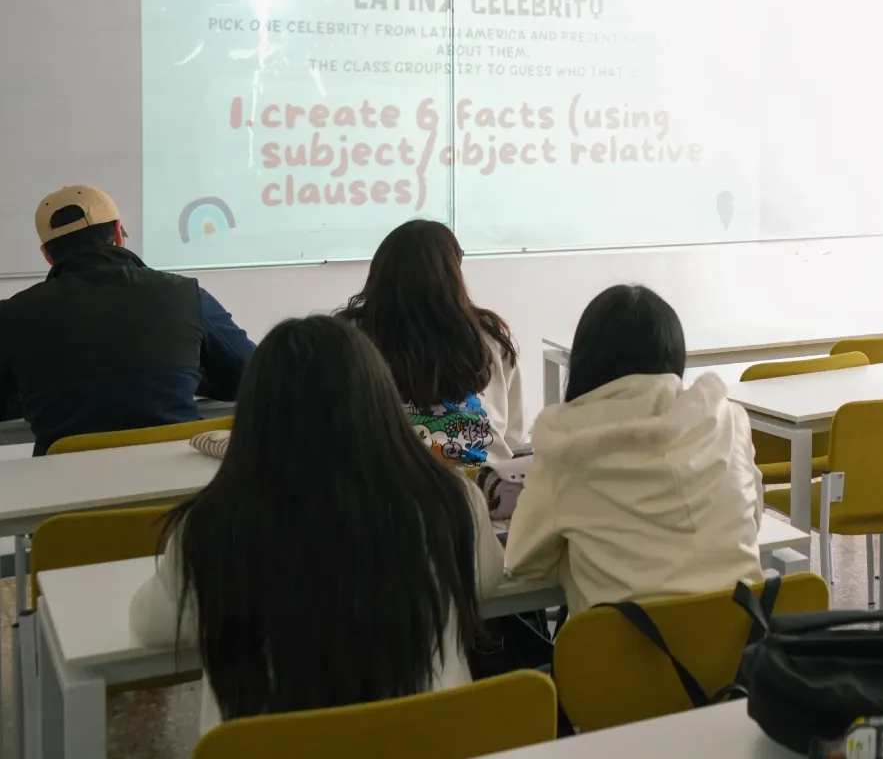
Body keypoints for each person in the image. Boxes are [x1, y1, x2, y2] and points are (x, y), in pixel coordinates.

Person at [130, 315, 502, 734]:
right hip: (429, 743)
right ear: (380, 401)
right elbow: (484, 581)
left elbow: (152, 627)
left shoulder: (211, 526)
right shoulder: (452, 501)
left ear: (255, 415)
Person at [505, 285, 763, 616]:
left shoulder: (566, 449)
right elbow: (753, 519)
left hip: (627, 646)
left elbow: (521, 560)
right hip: (741, 638)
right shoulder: (729, 421)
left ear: (584, 361)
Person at [0, 185, 254, 455]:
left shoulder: (13, 314)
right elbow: (251, 375)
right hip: (176, 472)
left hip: (67, 478)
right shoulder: (187, 295)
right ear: (119, 233)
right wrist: (187, 373)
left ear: (47, 255)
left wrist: (37, 392)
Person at [338, 219, 522, 465]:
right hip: (483, 478)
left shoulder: (351, 334)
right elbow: (512, 433)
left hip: (388, 481)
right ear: (453, 271)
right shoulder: (487, 333)